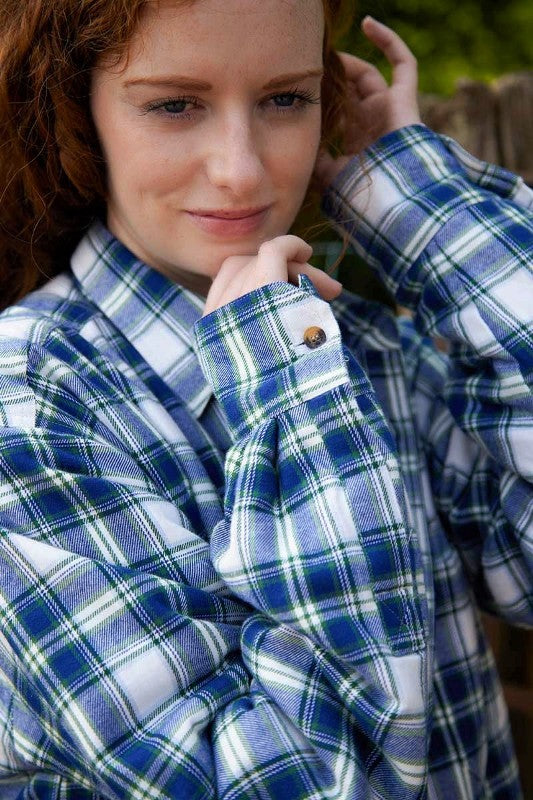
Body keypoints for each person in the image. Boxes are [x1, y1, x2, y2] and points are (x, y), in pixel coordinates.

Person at [0, 0, 531, 797]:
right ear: (77, 110)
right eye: (174, 105)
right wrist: (289, 394)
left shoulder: (362, 348)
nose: (242, 171)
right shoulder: (29, 407)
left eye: (285, 98)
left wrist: (419, 203)